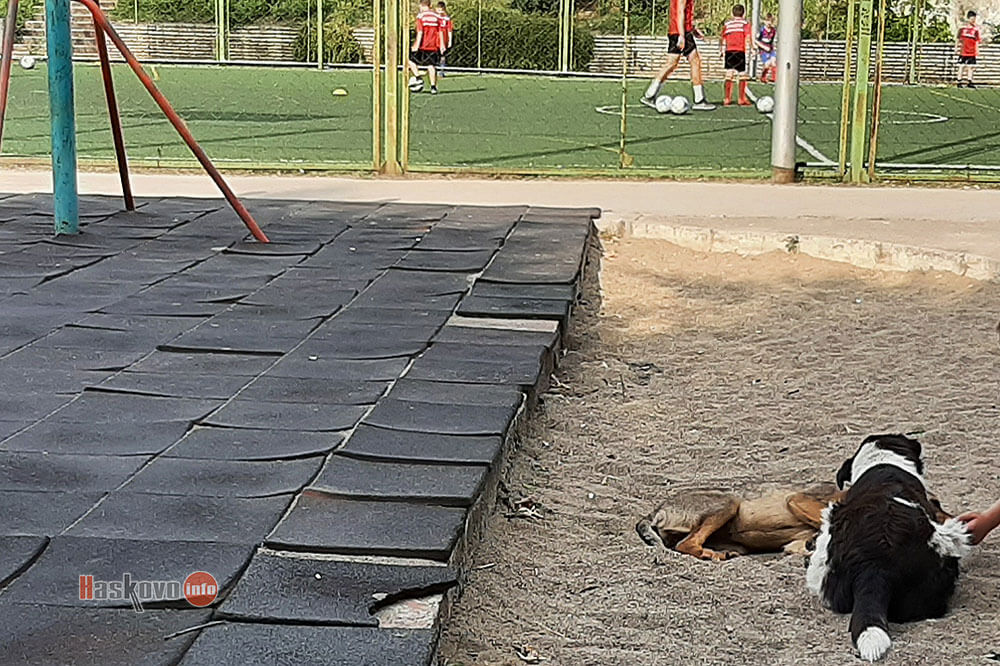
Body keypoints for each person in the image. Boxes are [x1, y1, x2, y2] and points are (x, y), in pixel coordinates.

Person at [640, 0, 716, 111]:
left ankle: (649, 95)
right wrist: (682, 35)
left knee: (671, 63)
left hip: (676, 31)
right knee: (695, 61)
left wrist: (692, 29)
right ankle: (699, 100)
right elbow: (680, 12)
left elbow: (681, 13)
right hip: (681, 32)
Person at [720, 4, 752, 106]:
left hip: (729, 51)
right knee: (742, 74)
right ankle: (741, 98)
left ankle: (727, 98)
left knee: (729, 73)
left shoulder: (728, 24)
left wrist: (722, 50)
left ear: (732, 13)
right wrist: (750, 49)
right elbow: (747, 37)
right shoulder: (745, 24)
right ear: (743, 13)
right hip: (740, 50)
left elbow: (723, 38)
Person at [409, 0, 444, 94]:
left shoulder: (421, 16)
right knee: (431, 65)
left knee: (409, 60)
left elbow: (420, 32)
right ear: (430, 5)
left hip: (423, 45)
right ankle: (433, 87)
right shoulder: (437, 16)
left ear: (421, 5)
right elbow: (440, 31)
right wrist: (442, 44)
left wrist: (416, 45)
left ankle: (418, 78)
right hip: (433, 45)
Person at [957, 10, 982, 88]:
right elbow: (958, 39)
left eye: (974, 19)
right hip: (963, 51)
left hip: (972, 51)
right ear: (968, 19)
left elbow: (977, 40)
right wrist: (956, 48)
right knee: (961, 66)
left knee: (971, 66)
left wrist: (977, 50)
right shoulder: (962, 29)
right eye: (972, 19)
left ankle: (969, 81)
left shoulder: (976, 29)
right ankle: (959, 81)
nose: (973, 20)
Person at [756, 14, 777, 83]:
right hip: (763, 50)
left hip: (770, 49)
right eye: (767, 21)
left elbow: (771, 40)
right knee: (767, 64)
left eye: (771, 21)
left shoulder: (773, 30)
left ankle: (775, 78)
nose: (769, 23)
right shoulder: (761, 30)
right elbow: (756, 41)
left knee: (774, 62)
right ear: (764, 21)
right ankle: (763, 77)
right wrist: (763, 47)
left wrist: (771, 48)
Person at [435, 1, 453, 77]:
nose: (440, 12)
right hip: (435, 40)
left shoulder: (447, 19)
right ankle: (434, 70)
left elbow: (449, 30)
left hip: (444, 40)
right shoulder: (435, 18)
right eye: (438, 10)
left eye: (441, 10)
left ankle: (442, 70)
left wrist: (450, 40)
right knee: (435, 55)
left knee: (443, 55)